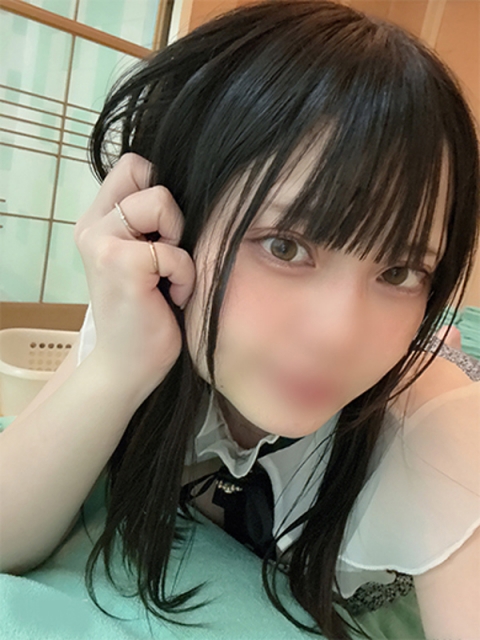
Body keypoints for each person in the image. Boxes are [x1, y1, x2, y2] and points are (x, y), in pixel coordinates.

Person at [1, 1, 479, 638]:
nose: (339, 335)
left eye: (399, 272)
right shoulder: (146, 306)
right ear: (174, 220)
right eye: (285, 246)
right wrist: (119, 363)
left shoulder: (438, 431)